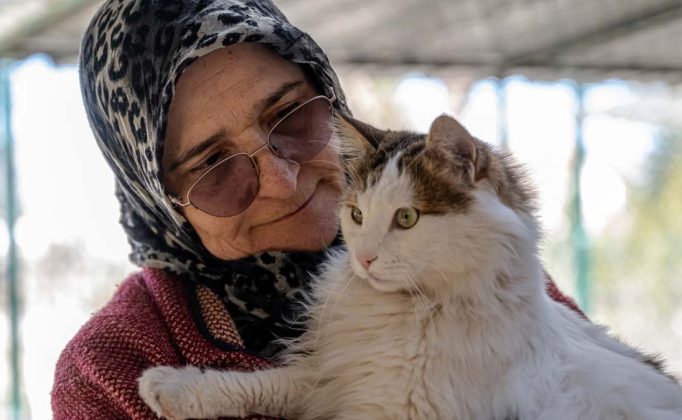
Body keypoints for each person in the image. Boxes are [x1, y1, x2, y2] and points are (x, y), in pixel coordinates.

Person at [51, 0, 584, 418]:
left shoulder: (484, 273)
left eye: (290, 117)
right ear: (159, 201)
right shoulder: (109, 369)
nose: (282, 183)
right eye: (214, 166)